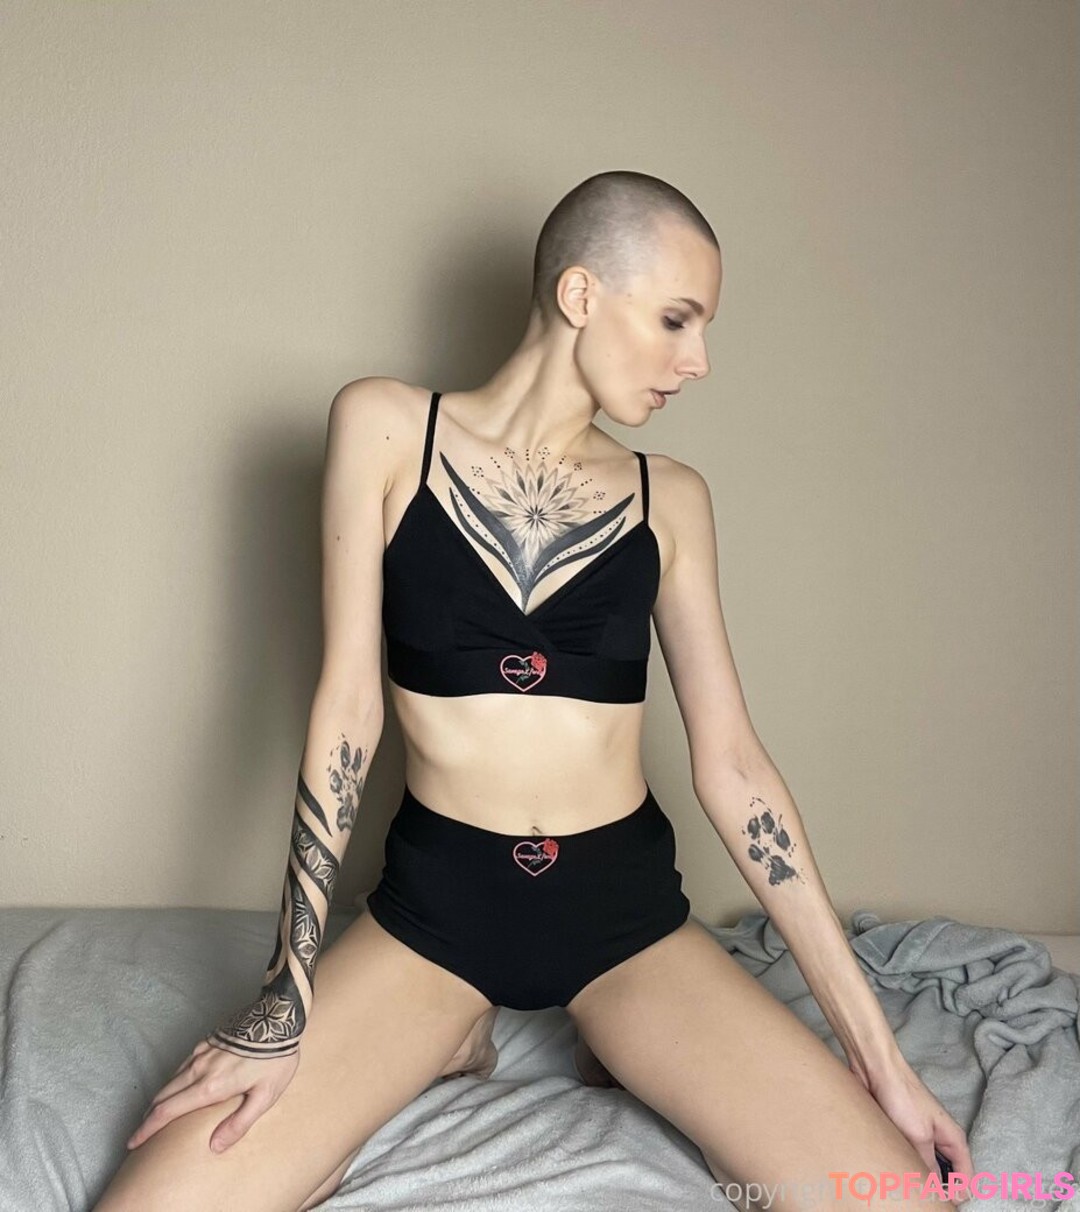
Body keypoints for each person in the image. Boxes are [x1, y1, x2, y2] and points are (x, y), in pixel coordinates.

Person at [93, 170, 974, 1212]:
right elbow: (347, 715)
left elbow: (736, 769)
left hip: (624, 920)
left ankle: (604, 1039)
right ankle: (452, 1033)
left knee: (898, 1203)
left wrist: (883, 1064)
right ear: (581, 293)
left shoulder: (670, 499)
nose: (698, 360)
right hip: (436, 914)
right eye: (678, 319)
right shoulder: (386, 428)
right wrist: (284, 1002)